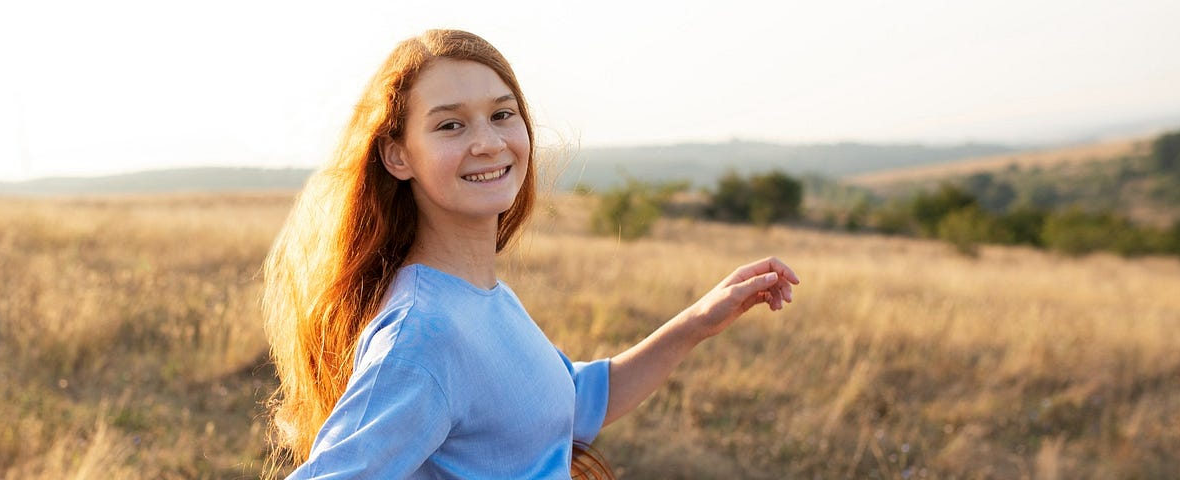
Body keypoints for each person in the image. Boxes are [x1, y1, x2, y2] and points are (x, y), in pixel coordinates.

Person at [262, 29, 800, 479]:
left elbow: (574, 402)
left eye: (502, 114)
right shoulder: (423, 335)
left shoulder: (482, 298)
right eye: (450, 124)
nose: (489, 142)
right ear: (398, 155)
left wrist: (699, 321)